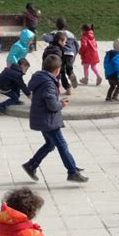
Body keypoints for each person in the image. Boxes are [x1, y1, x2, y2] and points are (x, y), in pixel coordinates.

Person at [22, 54, 88, 183]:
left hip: (42, 118)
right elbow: (52, 106)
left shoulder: (40, 78)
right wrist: (61, 104)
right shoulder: (48, 83)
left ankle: (31, 165)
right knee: (62, 145)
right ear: (57, 70)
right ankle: (72, 172)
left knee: (50, 144)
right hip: (48, 120)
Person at [43, 18, 79, 89]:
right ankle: (71, 74)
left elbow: (46, 38)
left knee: (61, 71)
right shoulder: (70, 34)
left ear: (56, 25)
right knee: (69, 68)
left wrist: (44, 35)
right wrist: (75, 53)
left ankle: (67, 87)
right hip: (70, 54)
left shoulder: (55, 33)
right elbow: (76, 44)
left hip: (60, 53)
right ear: (65, 25)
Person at [42, 31, 72, 96]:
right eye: (64, 42)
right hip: (54, 72)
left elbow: (43, 59)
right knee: (54, 88)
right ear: (60, 41)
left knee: (47, 86)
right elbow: (57, 63)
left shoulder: (48, 48)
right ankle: (53, 101)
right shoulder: (58, 51)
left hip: (45, 71)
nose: (65, 43)